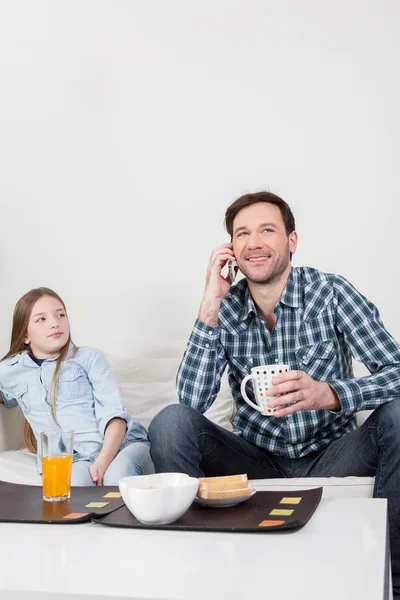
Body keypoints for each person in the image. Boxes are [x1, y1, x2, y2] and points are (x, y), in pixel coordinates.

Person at [149, 191, 400, 597]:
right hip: (256, 462)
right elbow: (190, 402)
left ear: (292, 242)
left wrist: (330, 394)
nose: (255, 243)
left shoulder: (331, 293)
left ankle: (393, 580)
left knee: (399, 414)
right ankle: (193, 579)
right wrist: (210, 302)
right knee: (169, 422)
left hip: (330, 455)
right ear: (232, 249)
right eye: (242, 234)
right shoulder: (225, 309)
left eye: (268, 230)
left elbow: (397, 373)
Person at [0, 287, 154, 485]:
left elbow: (115, 417)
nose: (55, 323)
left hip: (123, 446)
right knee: (77, 485)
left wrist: (102, 463)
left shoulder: (89, 358)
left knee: (117, 476)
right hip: (71, 460)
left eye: (60, 314)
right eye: (41, 319)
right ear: (25, 336)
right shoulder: (12, 370)